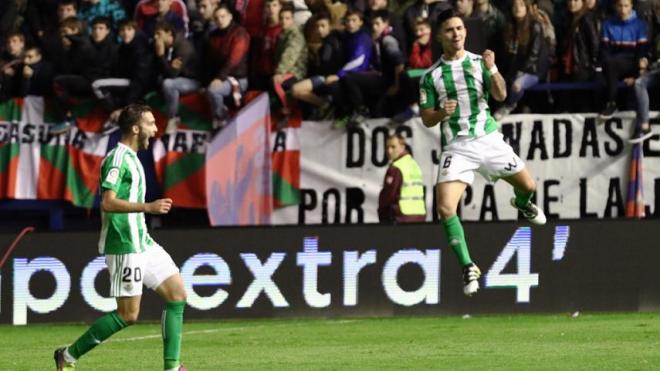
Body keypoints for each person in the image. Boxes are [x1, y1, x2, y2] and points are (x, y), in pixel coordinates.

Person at [419, 9, 546, 296]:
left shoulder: (478, 63)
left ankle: (523, 204)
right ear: (440, 36)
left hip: (488, 139)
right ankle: (468, 266)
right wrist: (440, 113)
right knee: (444, 207)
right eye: (450, 30)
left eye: (460, 28)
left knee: (529, 186)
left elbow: (501, 95)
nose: (457, 34)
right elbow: (426, 117)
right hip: (457, 147)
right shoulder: (432, 77)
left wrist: (493, 69)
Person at [53, 104, 187, 371]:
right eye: (151, 123)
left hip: (143, 242)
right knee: (128, 315)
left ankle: (172, 368)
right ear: (136, 128)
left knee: (177, 295)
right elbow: (108, 202)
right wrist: (148, 207)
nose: (155, 128)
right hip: (124, 244)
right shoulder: (117, 159)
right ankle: (67, 356)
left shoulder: (134, 158)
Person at [598, 0, 649, 118]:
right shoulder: (607, 24)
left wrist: (636, 75)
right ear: (615, 6)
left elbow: (641, 53)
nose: (623, 10)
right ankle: (611, 103)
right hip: (612, 65)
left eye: (626, 6)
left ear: (631, 6)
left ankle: (612, 102)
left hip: (632, 62)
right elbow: (605, 50)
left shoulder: (639, 25)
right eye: (620, 6)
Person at [154, 21, 201, 133]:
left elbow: (172, 74)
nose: (156, 38)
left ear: (169, 33)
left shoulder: (183, 47)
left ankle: (173, 118)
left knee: (168, 84)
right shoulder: (165, 46)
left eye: (159, 34)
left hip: (193, 80)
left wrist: (160, 56)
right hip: (179, 77)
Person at [378, 134, 427, 223]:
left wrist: (382, 213)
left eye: (393, 147)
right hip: (419, 215)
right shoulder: (413, 164)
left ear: (402, 147)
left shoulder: (396, 167)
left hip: (401, 216)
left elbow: (389, 195)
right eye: (387, 147)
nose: (389, 151)